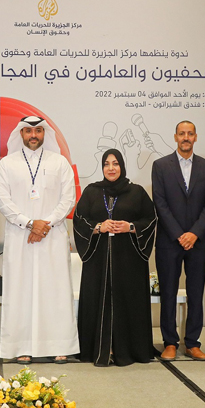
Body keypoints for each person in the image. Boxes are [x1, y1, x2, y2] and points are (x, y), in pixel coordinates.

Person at [0, 115, 80, 364]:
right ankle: (21, 346)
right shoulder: (7, 165)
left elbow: (68, 199)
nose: (34, 135)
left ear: (45, 134)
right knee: (20, 291)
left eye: (39, 131)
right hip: (20, 238)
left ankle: (59, 345)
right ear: (20, 134)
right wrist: (30, 223)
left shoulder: (59, 163)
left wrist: (45, 224)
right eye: (29, 131)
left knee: (55, 291)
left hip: (51, 238)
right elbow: (4, 201)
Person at [74, 150, 157, 366]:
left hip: (129, 262)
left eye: (116, 163)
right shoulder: (92, 192)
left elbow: (150, 219)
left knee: (128, 301)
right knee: (97, 300)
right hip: (98, 261)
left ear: (122, 166)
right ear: (102, 167)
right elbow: (79, 220)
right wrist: (98, 227)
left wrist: (130, 227)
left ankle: (128, 349)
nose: (111, 168)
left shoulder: (137, 192)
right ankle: (99, 349)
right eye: (107, 164)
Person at [151, 120, 205, 361]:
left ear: (196, 137)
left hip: (197, 241)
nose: (186, 137)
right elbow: (160, 203)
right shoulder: (160, 166)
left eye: (190, 134)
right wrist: (179, 234)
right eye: (182, 134)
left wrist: (194, 233)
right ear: (175, 137)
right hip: (169, 240)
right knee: (168, 291)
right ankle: (169, 342)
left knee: (196, 292)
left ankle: (192, 343)